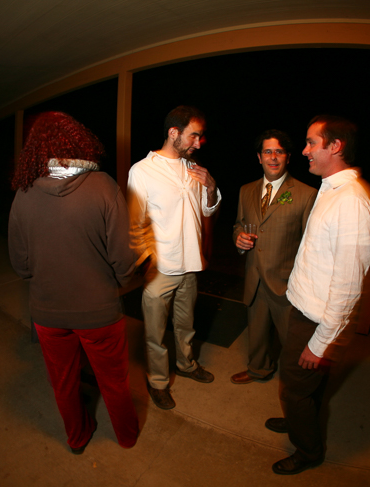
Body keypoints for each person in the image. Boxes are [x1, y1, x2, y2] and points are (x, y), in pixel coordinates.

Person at [8, 111, 139, 454]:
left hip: (47, 314)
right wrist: (120, 280)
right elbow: (124, 260)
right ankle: (126, 436)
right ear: (78, 140)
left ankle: (77, 437)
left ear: (35, 150)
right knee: (114, 382)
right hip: (100, 313)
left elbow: (20, 266)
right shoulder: (104, 186)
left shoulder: (22, 195)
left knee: (63, 383)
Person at [267, 115, 370, 475]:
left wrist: (320, 343)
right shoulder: (331, 189)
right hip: (303, 309)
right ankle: (299, 419)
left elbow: (348, 287)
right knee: (305, 391)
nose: (304, 151)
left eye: (312, 142)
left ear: (336, 146)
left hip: (318, 321)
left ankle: (308, 450)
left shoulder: (352, 203)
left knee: (293, 388)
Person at [127, 105, 221, 410]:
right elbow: (135, 222)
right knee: (155, 333)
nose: (199, 142)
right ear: (174, 133)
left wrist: (211, 188)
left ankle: (186, 364)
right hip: (161, 268)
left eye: (200, 136)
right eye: (194, 135)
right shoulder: (142, 170)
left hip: (191, 266)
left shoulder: (194, 168)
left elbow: (207, 211)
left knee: (186, 324)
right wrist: (147, 262)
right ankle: (157, 382)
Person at [230, 130, 316, 384]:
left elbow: (310, 245)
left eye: (279, 151)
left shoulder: (305, 194)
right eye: (268, 151)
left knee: (293, 341)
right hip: (255, 278)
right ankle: (259, 369)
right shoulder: (246, 191)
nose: (273, 157)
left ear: (288, 157)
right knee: (256, 333)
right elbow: (239, 224)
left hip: (286, 285)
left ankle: (297, 383)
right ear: (259, 157)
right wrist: (238, 239)